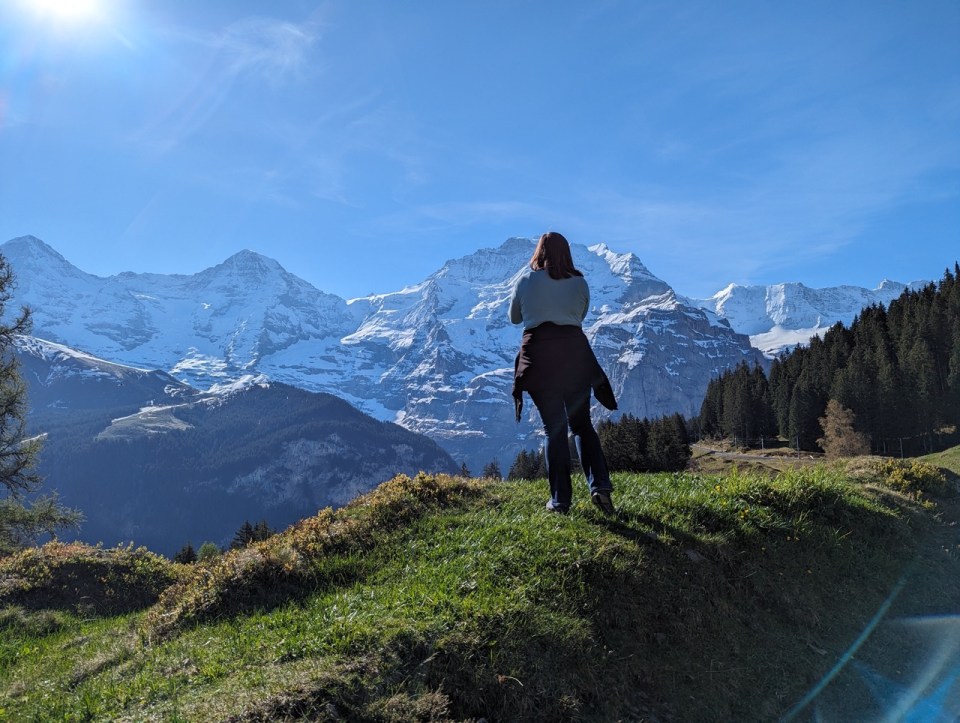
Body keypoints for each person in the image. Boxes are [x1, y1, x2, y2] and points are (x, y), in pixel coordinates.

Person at [509, 232, 617, 515]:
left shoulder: (525, 280)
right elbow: (579, 317)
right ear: (567, 253)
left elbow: (515, 318)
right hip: (574, 357)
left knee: (553, 429)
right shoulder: (580, 282)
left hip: (539, 359)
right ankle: (600, 486)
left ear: (538, 252)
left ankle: (560, 501)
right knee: (582, 425)